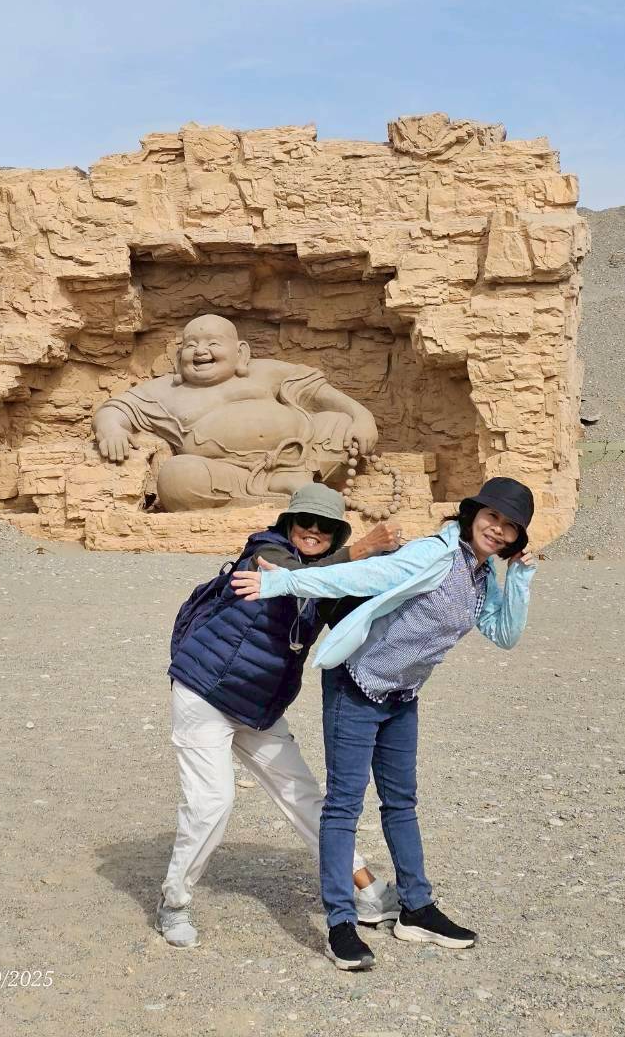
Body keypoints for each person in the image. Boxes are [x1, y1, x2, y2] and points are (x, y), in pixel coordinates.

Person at [232, 477, 536, 971]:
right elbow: (360, 577)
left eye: (510, 526)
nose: (497, 529)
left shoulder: (480, 576)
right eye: (492, 517)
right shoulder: (434, 555)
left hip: (401, 696)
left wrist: (519, 575)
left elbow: (505, 633)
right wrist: (281, 582)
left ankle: (416, 908)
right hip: (356, 685)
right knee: (343, 806)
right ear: (473, 515)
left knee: (401, 802)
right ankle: (341, 923)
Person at [156, 484, 402, 948]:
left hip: (259, 708)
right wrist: (361, 551)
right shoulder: (266, 553)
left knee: (305, 795)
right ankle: (175, 902)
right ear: (289, 523)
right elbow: (292, 577)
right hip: (205, 694)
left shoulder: (327, 578)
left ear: (335, 534)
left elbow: (365, 612)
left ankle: (367, 891)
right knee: (211, 803)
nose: (314, 530)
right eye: (305, 520)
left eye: (326, 526)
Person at [92, 313, 378, 509]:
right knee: (176, 476)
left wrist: (362, 417)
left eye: (212, 343)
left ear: (241, 353)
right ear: (178, 358)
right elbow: (116, 408)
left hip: (300, 456)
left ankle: (298, 480)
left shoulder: (265, 371)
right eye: (191, 345)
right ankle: (285, 490)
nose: (200, 351)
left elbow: (321, 394)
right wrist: (111, 429)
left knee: (338, 423)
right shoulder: (166, 390)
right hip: (228, 473)